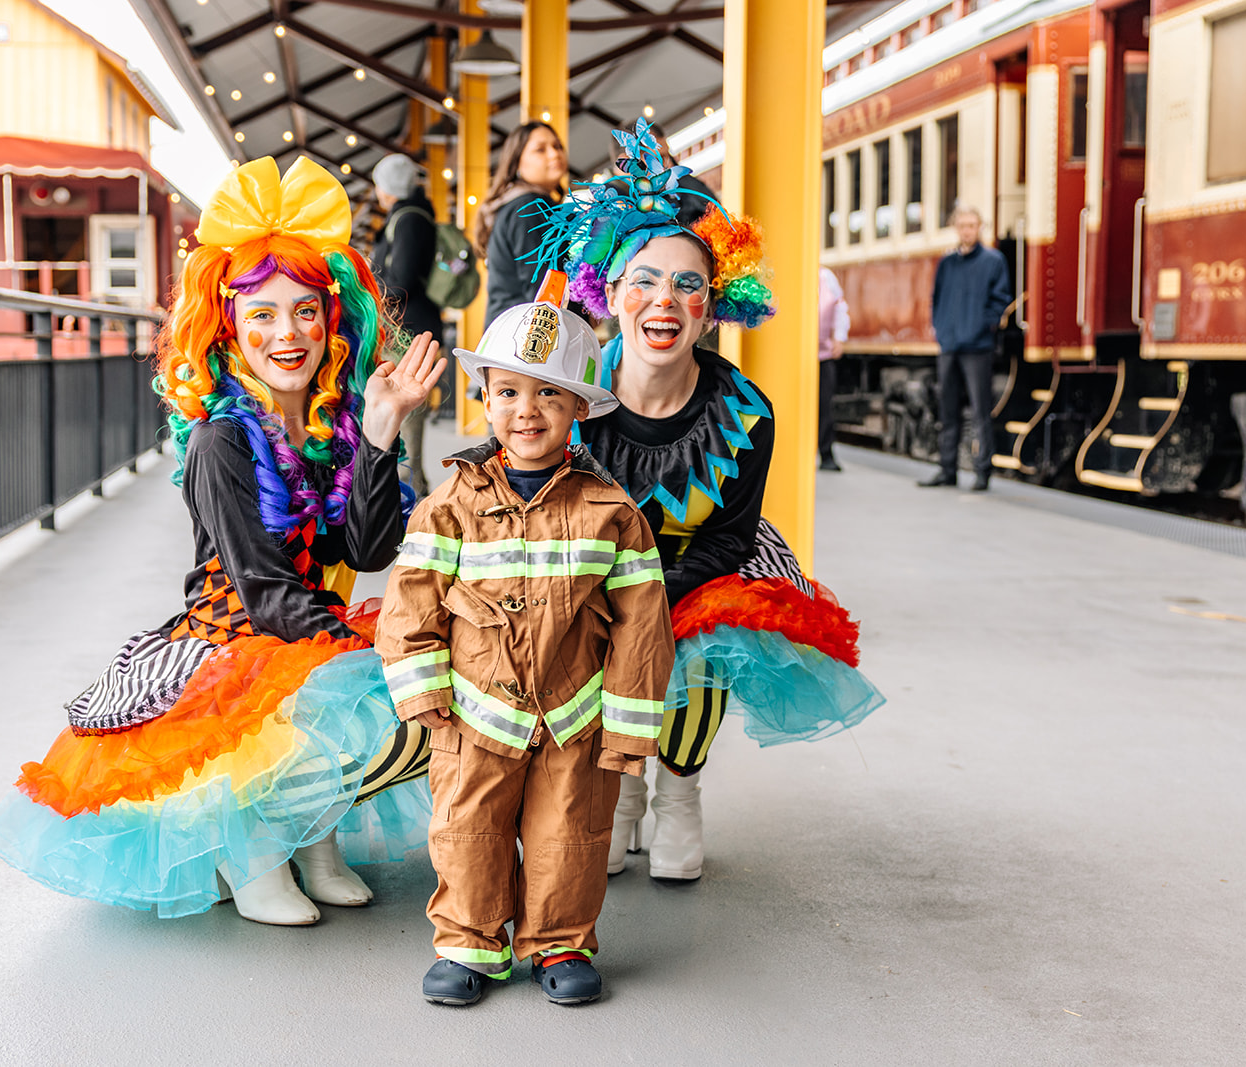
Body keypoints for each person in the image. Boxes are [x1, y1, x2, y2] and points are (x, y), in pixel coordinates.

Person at [0, 156, 447, 925]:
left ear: (334, 321)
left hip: (305, 630)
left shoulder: (331, 427)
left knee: (414, 687)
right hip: (238, 641)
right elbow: (264, 593)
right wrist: (367, 651)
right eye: (262, 313)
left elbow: (367, 552)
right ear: (228, 326)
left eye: (305, 311)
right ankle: (252, 848)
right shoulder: (219, 441)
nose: (286, 333)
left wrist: (380, 432)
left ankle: (312, 839)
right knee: (369, 690)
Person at [532, 119, 884, 883]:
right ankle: (620, 786)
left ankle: (679, 791)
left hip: (704, 568)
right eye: (643, 281)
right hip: (590, 567)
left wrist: (645, 594)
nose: (664, 300)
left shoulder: (747, 415)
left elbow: (729, 540)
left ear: (712, 304)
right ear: (608, 294)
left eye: (687, 284)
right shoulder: (566, 397)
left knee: (707, 641)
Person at [376, 273, 673, 1006]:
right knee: (467, 827)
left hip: (576, 713)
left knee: (569, 833)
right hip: (474, 710)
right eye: (507, 391)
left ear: (579, 408)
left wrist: (627, 729)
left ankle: (560, 941)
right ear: (485, 399)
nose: (526, 410)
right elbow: (411, 597)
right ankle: (469, 943)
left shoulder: (613, 512)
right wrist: (423, 688)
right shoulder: (450, 504)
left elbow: (642, 625)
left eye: (548, 394)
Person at [920, 202, 1011, 492]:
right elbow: (937, 299)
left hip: (977, 347)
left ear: (979, 227)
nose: (967, 231)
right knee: (948, 410)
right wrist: (941, 330)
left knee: (980, 411)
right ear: (956, 229)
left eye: (971, 226)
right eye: (962, 226)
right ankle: (947, 470)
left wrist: (981, 327)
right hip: (949, 346)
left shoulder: (993, 261)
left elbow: (1000, 300)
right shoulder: (946, 263)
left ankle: (983, 472)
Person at [370, 153, 443, 496]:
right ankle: (410, 492)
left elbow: (401, 280)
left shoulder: (409, 219)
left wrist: (370, 286)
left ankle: (413, 498)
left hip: (408, 332)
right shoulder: (412, 215)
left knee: (406, 416)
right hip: (409, 327)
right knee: (403, 417)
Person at [474, 121, 568, 329]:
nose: (555, 154)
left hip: (508, 329)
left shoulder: (517, 204)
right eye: (540, 149)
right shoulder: (530, 207)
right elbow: (542, 287)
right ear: (517, 162)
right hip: (523, 335)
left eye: (557, 146)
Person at [818, 265, 850, 472]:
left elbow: (840, 307)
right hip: (797, 354)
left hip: (823, 353)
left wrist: (839, 337)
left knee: (825, 406)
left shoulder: (826, 277)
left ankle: (826, 453)